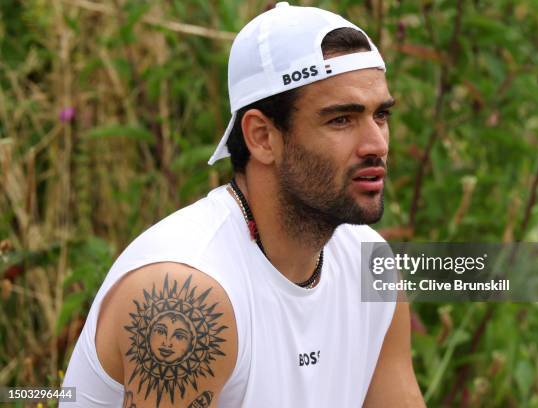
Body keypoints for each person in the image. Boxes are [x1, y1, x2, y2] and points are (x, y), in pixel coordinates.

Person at [62, 2, 425, 407]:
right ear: (262, 137)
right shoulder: (187, 297)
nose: (376, 144)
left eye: (381, 116)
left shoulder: (368, 264)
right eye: (341, 119)